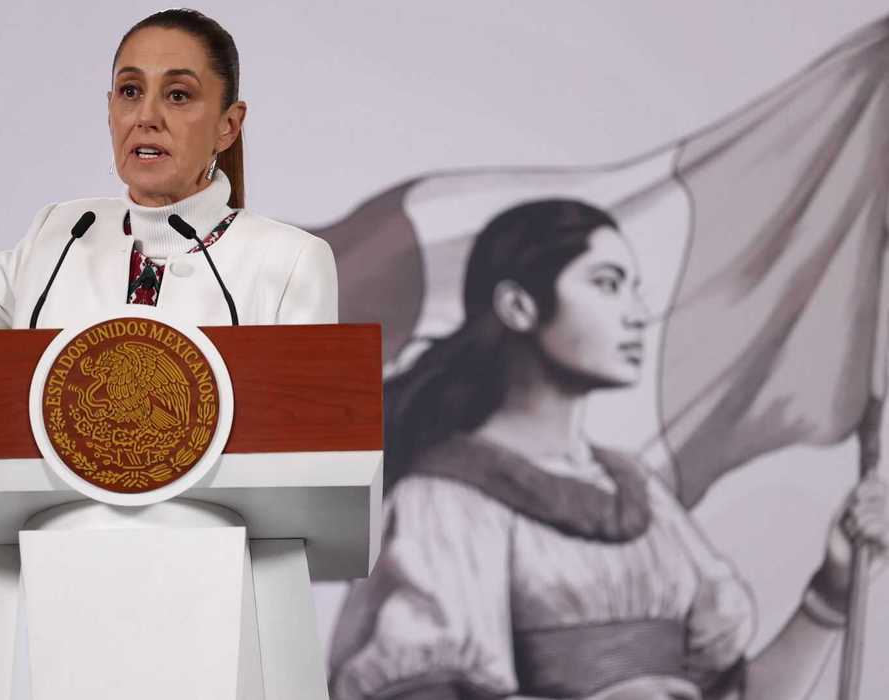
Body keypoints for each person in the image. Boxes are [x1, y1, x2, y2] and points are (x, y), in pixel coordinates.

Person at [327, 200, 889, 700]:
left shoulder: (643, 497)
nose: (638, 312)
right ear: (519, 306)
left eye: (634, 288)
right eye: (607, 283)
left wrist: (832, 591)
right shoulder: (445, 502)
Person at [0, 9, 336, 366]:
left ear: (228, 125)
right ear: (109, 109)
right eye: (130, 91)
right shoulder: (60, 239)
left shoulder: (288, 263)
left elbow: (308, 452)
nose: (146, 117)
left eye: (178, 95)